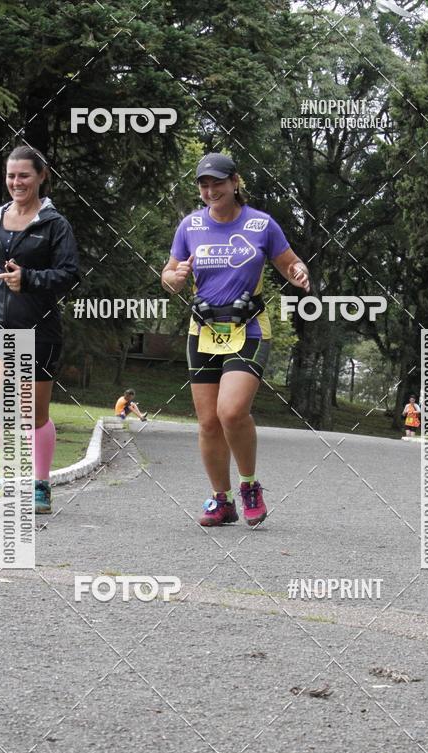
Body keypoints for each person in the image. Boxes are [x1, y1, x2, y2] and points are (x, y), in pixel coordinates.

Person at [161, 152, 310, 527]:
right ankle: (221, 499)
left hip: (248, 328)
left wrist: (299, 272)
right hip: (204, 330)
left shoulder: (261, 224)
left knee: (231, 411)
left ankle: (249, 486)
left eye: (218, 183)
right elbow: (170, 274)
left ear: (235, 182)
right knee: (209, 422)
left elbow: (289, 262)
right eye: (204, 184)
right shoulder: (190, 226)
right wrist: (174, 279)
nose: (211, 190)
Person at [0, 145, 80, 513]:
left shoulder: (55, 224)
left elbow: (70, 275)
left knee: (32, 412)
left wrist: (28, 279)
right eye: (11, 176)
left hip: (37, 325)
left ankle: (40, 484)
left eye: (24, 175)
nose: (16, 182)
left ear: (42, 177)